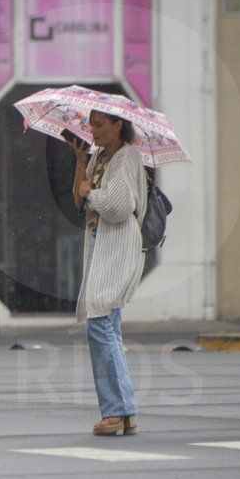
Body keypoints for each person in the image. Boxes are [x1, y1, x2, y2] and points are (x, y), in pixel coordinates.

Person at [68, 110, 148, 437]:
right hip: (100, 240)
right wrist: (79, 162)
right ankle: (123, 411)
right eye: (91, 124)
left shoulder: (127, 157)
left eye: (99, 125)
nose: (93, 130)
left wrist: (91, 193)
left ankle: (117, 410)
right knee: (106, 323)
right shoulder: (99, 156)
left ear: (118, 125)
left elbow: (119, 206)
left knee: (100, 321)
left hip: (117, 242)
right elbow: (77, 200)